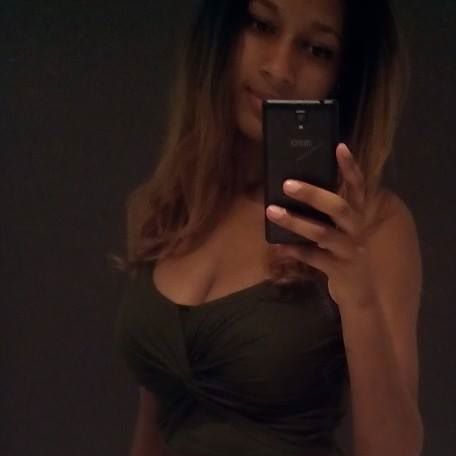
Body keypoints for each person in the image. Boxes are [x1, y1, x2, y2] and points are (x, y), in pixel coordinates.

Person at [113, 1, 424, 455]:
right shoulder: (173, 204)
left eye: (317, 50)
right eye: (261, 25)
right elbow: (155, 426)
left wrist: (357, 295)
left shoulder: (371, 226)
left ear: (345, 73)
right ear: (222, 33)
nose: (279, 70)